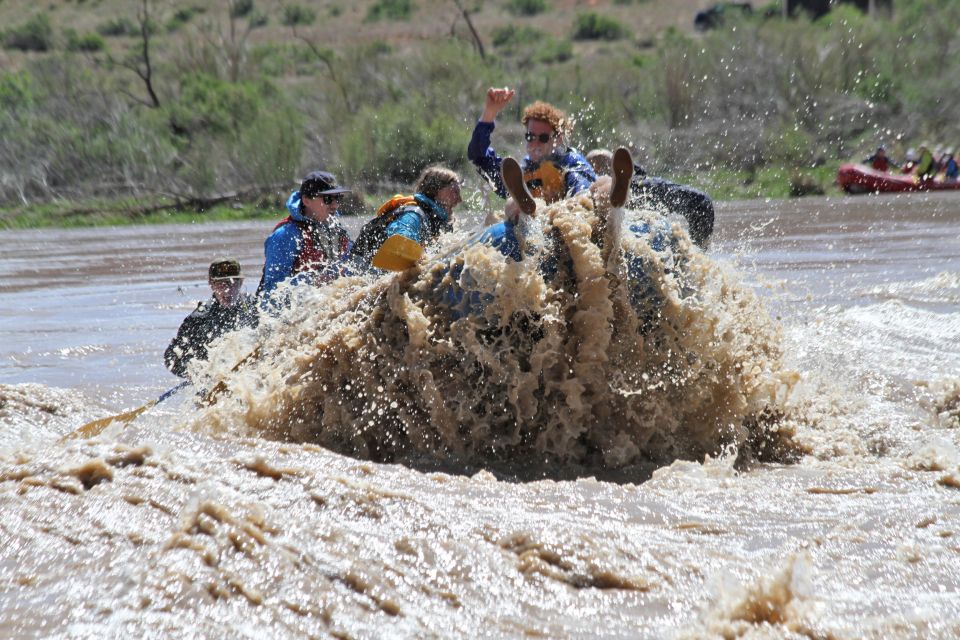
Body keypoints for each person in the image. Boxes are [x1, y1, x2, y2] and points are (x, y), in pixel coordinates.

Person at [467, 87, 596, 209]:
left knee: (602, 186)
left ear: (559, 138)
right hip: (534, 223)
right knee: (512, 206)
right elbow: (478, 156)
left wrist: (577, 198)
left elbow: (583, 186)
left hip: (569, 216)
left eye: (543, 138)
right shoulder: (520, 172)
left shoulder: (570, 161)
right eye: (530, 137)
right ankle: (526, 207)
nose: (535, 144)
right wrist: (489, 112)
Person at [587, 148, 715, 249]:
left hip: (633, 191)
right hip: (646, 193)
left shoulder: (638, 183)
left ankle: (695, 255)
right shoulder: (646, 182)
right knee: (701, 202)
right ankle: (696, 257)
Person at [257, 170, 353, 300]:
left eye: (338, 198)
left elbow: (352, 266)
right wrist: (313, 282)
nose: (335, 205)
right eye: (328, 199)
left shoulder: (337, 230)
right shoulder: (285, 236)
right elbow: (272, 293)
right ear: (306, 200)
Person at [351, 166, 462, 271]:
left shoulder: (435, 220)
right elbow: (400, 241)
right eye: (455, 192)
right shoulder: (413, 214)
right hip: (362, 271)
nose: (459, 199)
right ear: (436, 190)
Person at [165, 259, 258, 378]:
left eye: (232, 283)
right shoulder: (198, 319)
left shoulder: (255, 308)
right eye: (220, 284)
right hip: (212, 381)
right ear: (211, 285)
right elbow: (171, 358)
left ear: (241, 282)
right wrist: (196, 371)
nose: (227, 291)